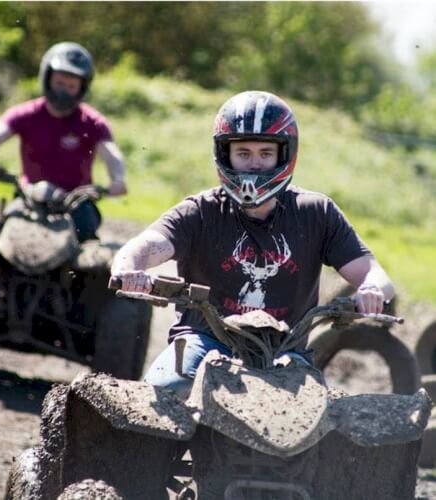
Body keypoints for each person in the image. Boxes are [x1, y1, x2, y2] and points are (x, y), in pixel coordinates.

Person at [111, 90, 395, 395]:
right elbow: (147, 244)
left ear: (284, 155)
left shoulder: (317, 213)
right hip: (203, 343)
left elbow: (374, 273)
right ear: (225, 154)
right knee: (164, 392)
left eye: (265, 153)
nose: (255, 164)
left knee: (320, 422)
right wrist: (129, 268)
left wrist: (371, 289)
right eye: (243, 153)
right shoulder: (201, 211)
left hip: (286, 352)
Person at [0, 41, 127, 242]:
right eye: (59, 83)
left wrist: (118, 179)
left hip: (75, 203)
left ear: (82, 88)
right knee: (1, 233)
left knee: (85, 232)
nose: (63, 91)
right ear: (47, 78)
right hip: (29, 197)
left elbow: (111, 153)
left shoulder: (92, 122)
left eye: (71, 86)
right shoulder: (26, 113)